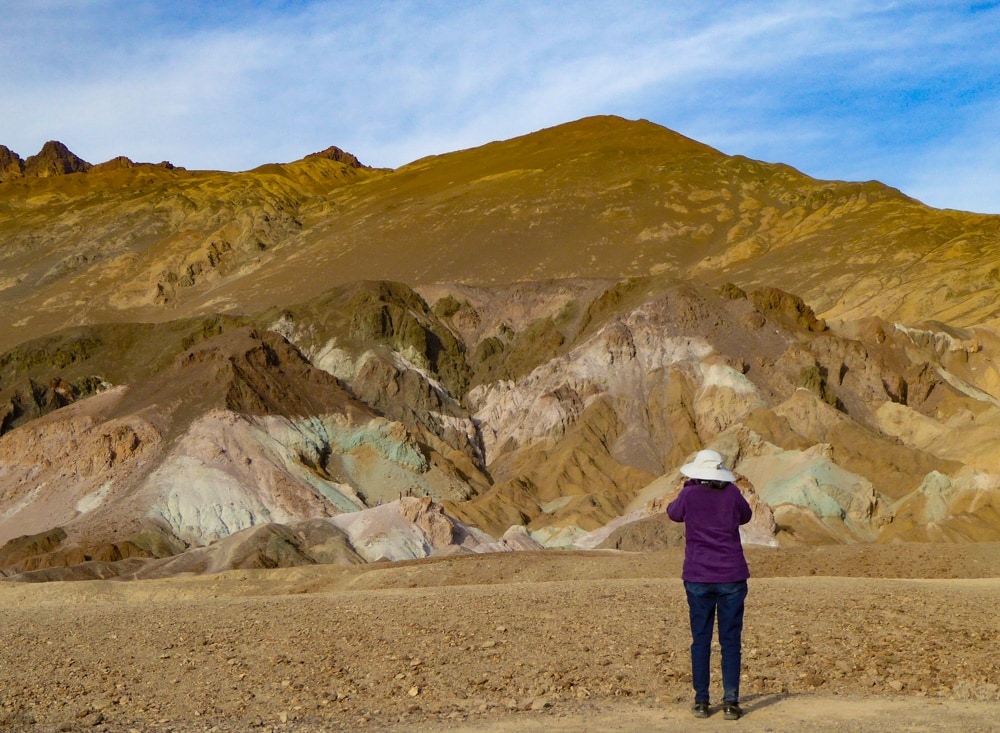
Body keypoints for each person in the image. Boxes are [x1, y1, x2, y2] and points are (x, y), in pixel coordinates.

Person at [667, 449, 752, 721]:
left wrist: (688, 487)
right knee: (730, 641)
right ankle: (730, 702)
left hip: (698, 576)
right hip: (731, 576)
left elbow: (673, 513)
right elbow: (746, 516)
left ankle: (701, 701)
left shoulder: (689, 494)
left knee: (701, 640)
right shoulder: (732, 494)